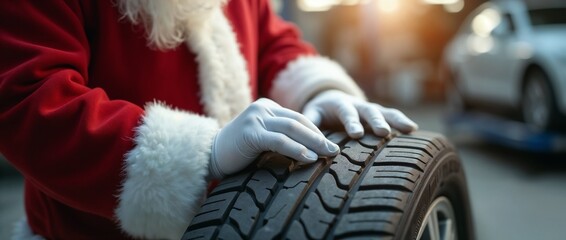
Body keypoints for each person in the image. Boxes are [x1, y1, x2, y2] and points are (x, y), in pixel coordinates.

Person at [0, 0, 418, 239]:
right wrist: (203, 155)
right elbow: (27, 98)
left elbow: (273, 42)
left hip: (240, 223)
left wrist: (319, 90)